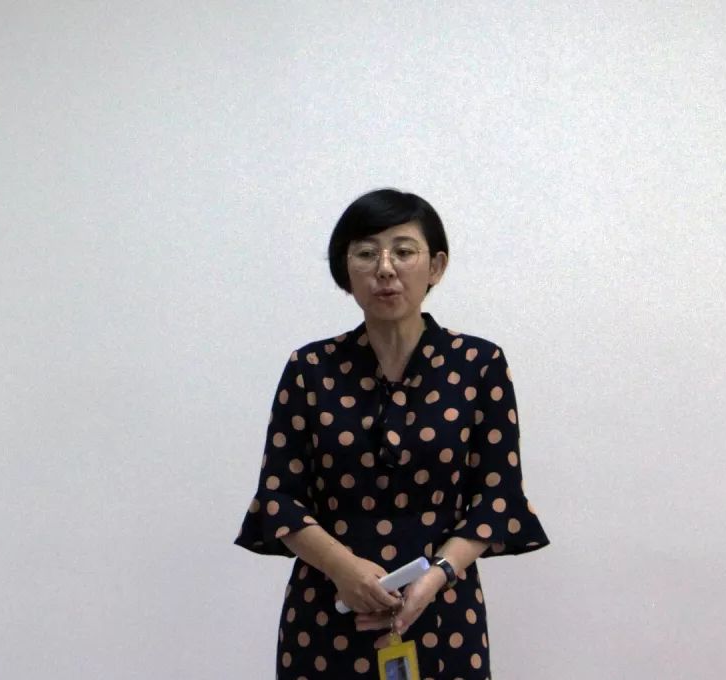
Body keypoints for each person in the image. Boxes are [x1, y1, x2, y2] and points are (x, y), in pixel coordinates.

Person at [235, 188, 549, 679]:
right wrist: (345, 570)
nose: (385, 268)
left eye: (403, 251)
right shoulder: (310, 369)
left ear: (436, 266)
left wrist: (436, 577)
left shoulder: (479, 364)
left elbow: (497, 497)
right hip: (328, 607)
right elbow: (279, 499)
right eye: (366, 253)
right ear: (345, 271)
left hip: (443, 608)